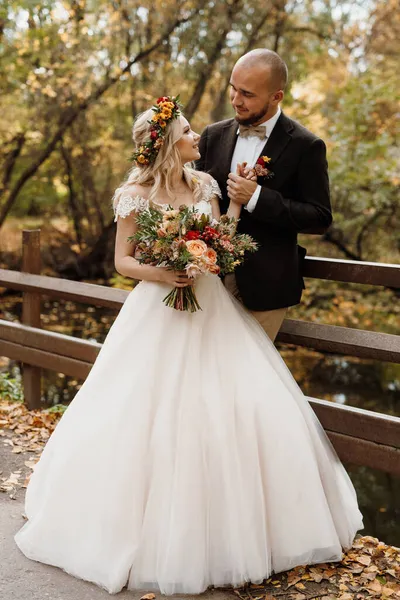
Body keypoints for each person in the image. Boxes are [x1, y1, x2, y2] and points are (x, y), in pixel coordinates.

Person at [15, 96, 362, 596]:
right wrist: (165, 270)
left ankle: (241, 522)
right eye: (187, 133)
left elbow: (222, 235)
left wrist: (235, 211)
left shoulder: (204, 184)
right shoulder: (133, 193)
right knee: (146, 411)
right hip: (156, 310)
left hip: (212, 305)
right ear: (166, 145)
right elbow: (123, 262)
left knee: (231, 406)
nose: (199, 137)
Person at [196, 48, 332, 341]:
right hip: (207, 281)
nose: (235, 100)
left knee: (249, 381)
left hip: (267, 288)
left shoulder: (306, 146)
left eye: (247, 94)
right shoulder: (212, 135)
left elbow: (320, 218)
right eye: (233, 89)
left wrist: (257, 197)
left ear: (276, 96)